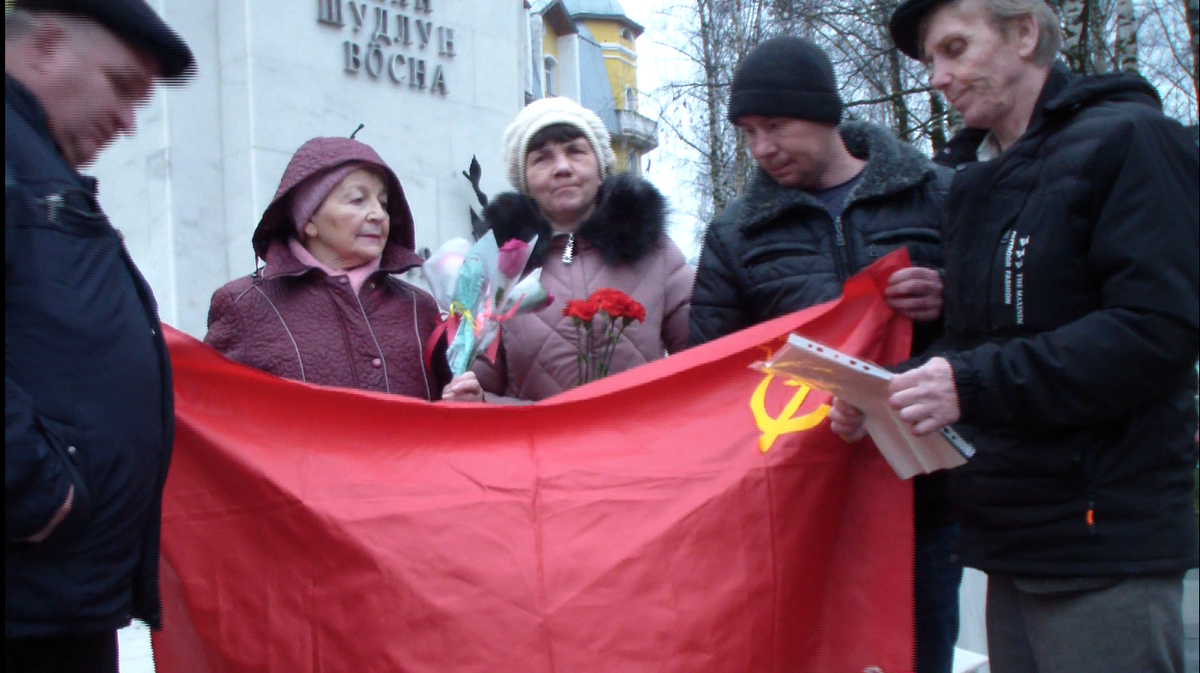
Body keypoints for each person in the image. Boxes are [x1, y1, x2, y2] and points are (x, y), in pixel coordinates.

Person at [830, 1, 1199, 670]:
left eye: (955, 49)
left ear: (1024, 34)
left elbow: (1156, 332)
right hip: (1010, 538)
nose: (937, 77)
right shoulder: (972, 182)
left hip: (1102, 541)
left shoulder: (1132, 140)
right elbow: (976, 348)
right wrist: (889, 394)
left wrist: (963, 382)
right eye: (930, 60)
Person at [688, 37, 960, 673]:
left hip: (920, 498)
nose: (762, 149)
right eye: (748, 132)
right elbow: (710, 368)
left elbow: (997, 330)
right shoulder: (735, 233)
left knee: (917, 657)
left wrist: (951, 303)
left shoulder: (937, 195)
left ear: (827, 114)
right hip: (798, 502)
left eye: (776, 126)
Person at [5, 2, 194, 671]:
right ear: (48, 43)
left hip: (56, 598)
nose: (129, 120)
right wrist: (34, 489)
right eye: (121, 85)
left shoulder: (35, 165)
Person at [448, 96, 692, 403]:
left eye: (575, 151)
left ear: (601, 165)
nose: (562, 167)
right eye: (542, 158)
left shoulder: (656, 252)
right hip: (537, 448)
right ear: (524, 179)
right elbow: (481, 380)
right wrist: (471, 396)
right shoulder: (498, 269)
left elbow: (708, 356)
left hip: (645, 446)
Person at [205, 136, 468, 401]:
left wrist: (465, 402)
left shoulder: (418, 307)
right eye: (357, 200)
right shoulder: (245, 306)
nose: (378, 215)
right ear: (308, 221)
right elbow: (213, 414)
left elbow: (448, 409)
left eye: (384, 203)